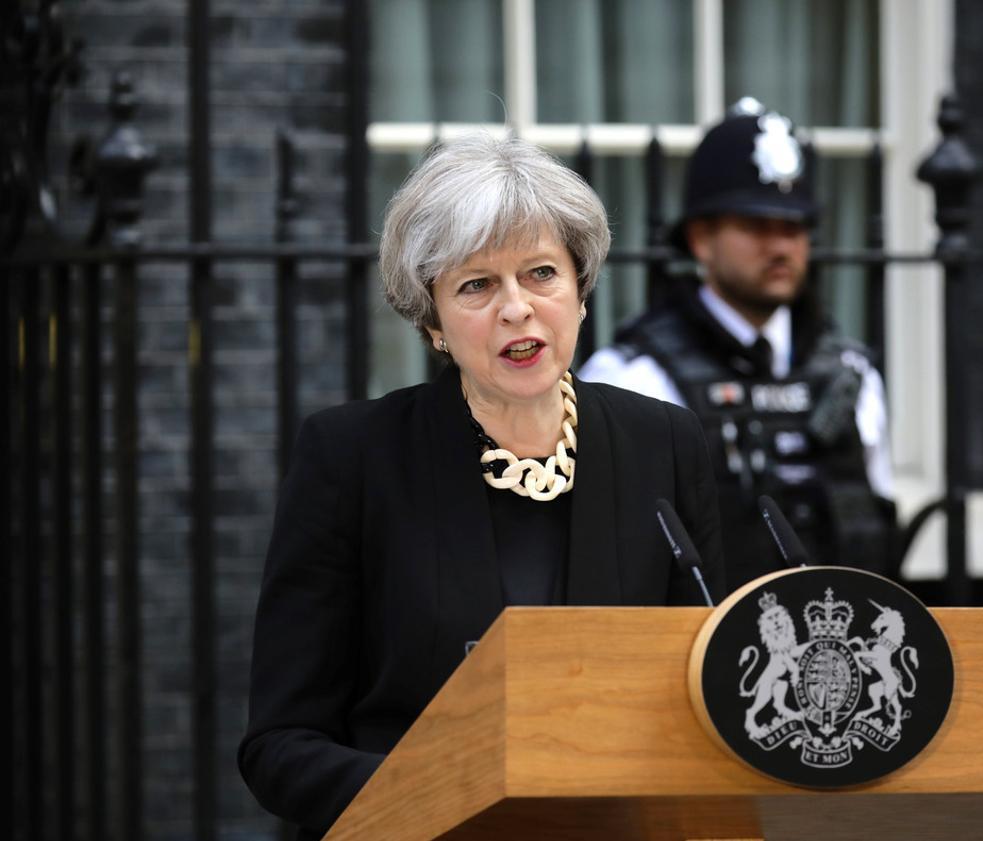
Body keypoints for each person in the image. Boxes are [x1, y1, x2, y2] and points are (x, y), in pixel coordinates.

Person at [238, 133, 725, 839]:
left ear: (581, 290)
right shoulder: (351, 458)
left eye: (540, 273)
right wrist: (445, 791)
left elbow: (707, 695)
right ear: (433, 320)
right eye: (476, 285)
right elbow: (279, 744)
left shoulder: (667, 445)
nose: (516, 308)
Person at [580, 99, 894, 590]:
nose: (780, 247)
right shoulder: (636, 377)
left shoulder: (852, 372)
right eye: (755, 226)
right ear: (702, 238)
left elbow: (875, 522)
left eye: (793, 228)